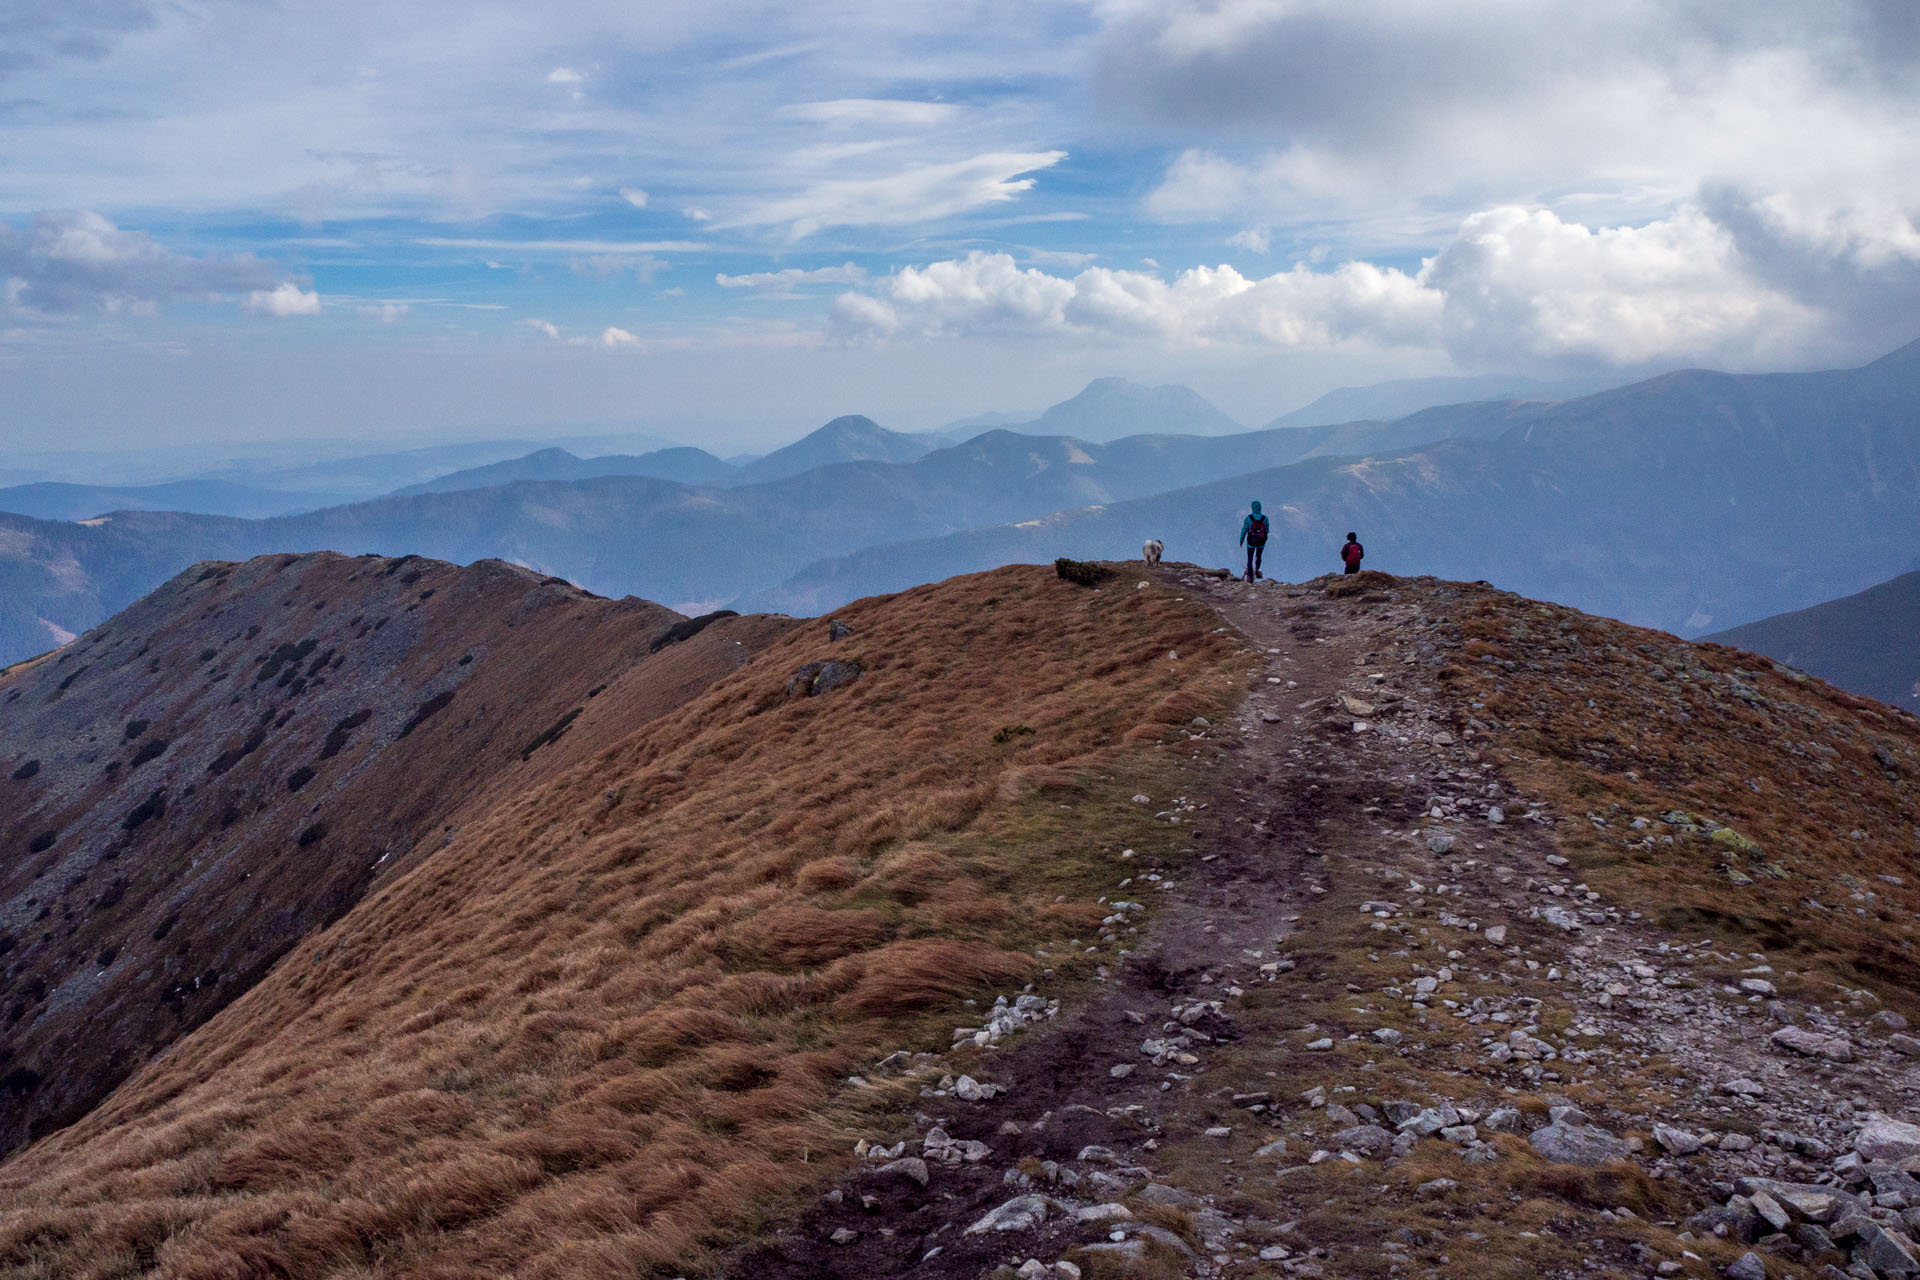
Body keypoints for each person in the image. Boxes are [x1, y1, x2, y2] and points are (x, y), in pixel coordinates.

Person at [1239, 500, 1270, 582]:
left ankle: (1249, 575)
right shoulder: (1265, 518)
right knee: (1258, 556)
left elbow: (1244, 530)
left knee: (1250, 558)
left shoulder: (1248, 518)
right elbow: (1267, 531)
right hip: (1261, 542)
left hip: (1251, 542)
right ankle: (1257, 571)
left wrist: (1241, 541)